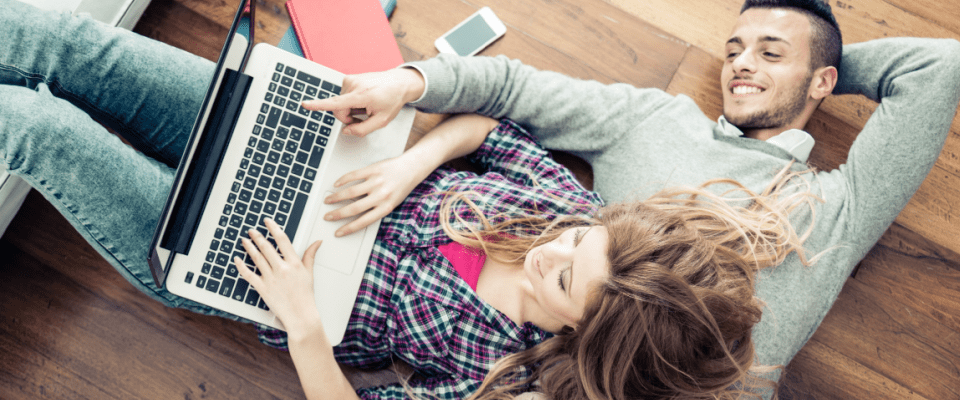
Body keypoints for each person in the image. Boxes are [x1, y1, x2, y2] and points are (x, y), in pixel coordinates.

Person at [0, 0, 822, 399]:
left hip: (245, 264)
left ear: (584, 334)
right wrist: (411, 160)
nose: (556, 249)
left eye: (568, 279)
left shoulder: (503, 379)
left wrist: (306, 329)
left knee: (34, 126)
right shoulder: (568, 214)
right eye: (583, 239)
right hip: (291, 140)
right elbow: (484, 130)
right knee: (66, 45)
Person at [301, 0, 960, 395]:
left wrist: (825, 64)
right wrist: (413, 81)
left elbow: (938, 68)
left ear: (823, 80)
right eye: (733, 49)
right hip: (505, 283)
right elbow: (511, 92)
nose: (740, 63)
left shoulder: (835, 211)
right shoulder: (657, 124)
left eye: (769, 51)